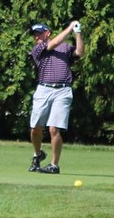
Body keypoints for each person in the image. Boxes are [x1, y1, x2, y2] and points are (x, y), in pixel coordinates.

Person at [28, 20, 84, 174]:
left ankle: (54, 165)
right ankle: (38, 154)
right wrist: (70, 27)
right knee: (35, 129)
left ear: (47, 33)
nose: (36, 37)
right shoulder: (38, 49)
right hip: (43, 89)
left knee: (54, 129)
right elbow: (54, 43)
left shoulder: (65, 48)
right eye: (34, 34)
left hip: (63, 91)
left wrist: (78, 34)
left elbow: (79, 52)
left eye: (39, 33)